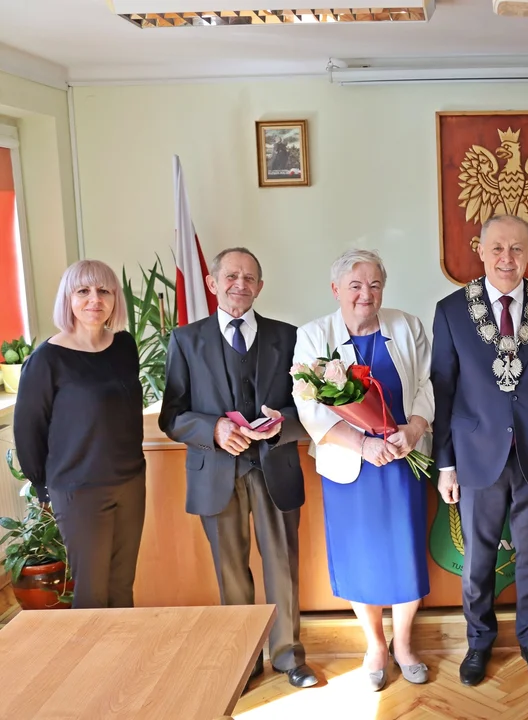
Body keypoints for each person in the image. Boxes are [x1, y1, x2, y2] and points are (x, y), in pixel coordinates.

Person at [432, 214, 528, 687]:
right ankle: (479, 642)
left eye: (517, 248)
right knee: (478, 560)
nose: (506, 258)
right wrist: (446, 462)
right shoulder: (452, 310)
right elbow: (444, 392)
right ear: (480, 250)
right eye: (497, 248)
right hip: (477, 455)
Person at [159, 247, 316, 689]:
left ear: (260, 287)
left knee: (282, 567)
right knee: (231, 571)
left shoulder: (289, 337)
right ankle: (244, 660)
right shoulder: (186, 340)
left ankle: (288, 656)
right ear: (212, 283)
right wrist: (214, 429)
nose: (239, 285)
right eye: (230, 276)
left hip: (274, 469)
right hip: (216, 474)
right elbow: (171, 416)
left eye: (249, 278)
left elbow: (308, 409)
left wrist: (281, 423)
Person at [293, 249, 434, 691]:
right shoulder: (314, 335)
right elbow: (308, 402)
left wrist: (413, 429)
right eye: (355, 285)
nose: (365, 294)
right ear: (336, 290)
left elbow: (429, 384)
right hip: (350, 465)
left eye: (374, 285)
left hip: (402, 460)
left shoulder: (407, 326)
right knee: (360, 556)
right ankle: (375, 644)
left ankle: (405, 643)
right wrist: (361, 444)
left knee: (406, 553)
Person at [14, 260, 145, 609]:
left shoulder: (124, 346)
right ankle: (90, 663)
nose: (94, 300)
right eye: (83, 291)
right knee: (92, 590)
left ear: (115, 298)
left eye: (104, 291)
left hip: (131, 481)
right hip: (79, 488)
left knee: (122, 584)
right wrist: (41, 486)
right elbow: (28, 428)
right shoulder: (47, 359)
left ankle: (123, 660)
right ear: (68, 299)